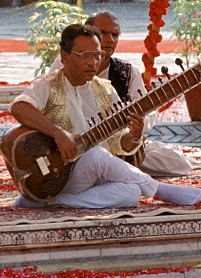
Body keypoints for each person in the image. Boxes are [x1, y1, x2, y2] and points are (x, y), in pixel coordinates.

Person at [9, 23, 201, 209]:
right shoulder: (47, 84)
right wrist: (59, 134)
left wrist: (133, 136)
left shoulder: (105, 90)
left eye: (97, 55)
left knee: (132, 193)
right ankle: (159, 189)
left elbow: (119, 143)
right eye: (85, 55)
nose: (93, 62)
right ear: (64, 56)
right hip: (57, 174)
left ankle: (53, 202)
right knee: (95, 154)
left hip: (95, 173)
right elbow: (20, 107)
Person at [49, 11, 193, 177]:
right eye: (103, 33)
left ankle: (121, 171)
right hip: (70, 144)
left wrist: (132, 126)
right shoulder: (65, 64)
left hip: (116, 142)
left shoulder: (127, 72)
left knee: (177, 161)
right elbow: (51, 103)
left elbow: (149, 113)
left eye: (115, 34)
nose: (110, 39)